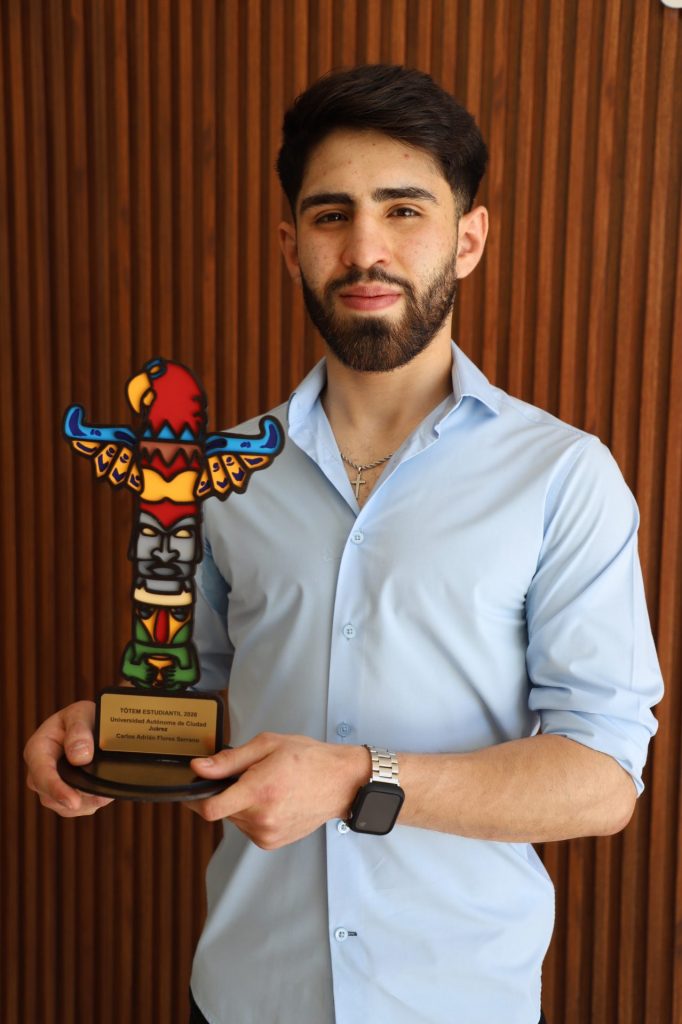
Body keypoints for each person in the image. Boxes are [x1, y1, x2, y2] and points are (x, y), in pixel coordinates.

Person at [25, 65, 663, 1024]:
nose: (366, 249)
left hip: (457, 1003)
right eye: (332, 216)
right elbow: (193, 697)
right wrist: (102, 734)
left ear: (469, 239)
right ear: (292, 247)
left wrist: (363, 779)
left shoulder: (565, 476)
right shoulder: (217, 479)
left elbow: (602, 780)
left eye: (404, 210)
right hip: (247, 995)